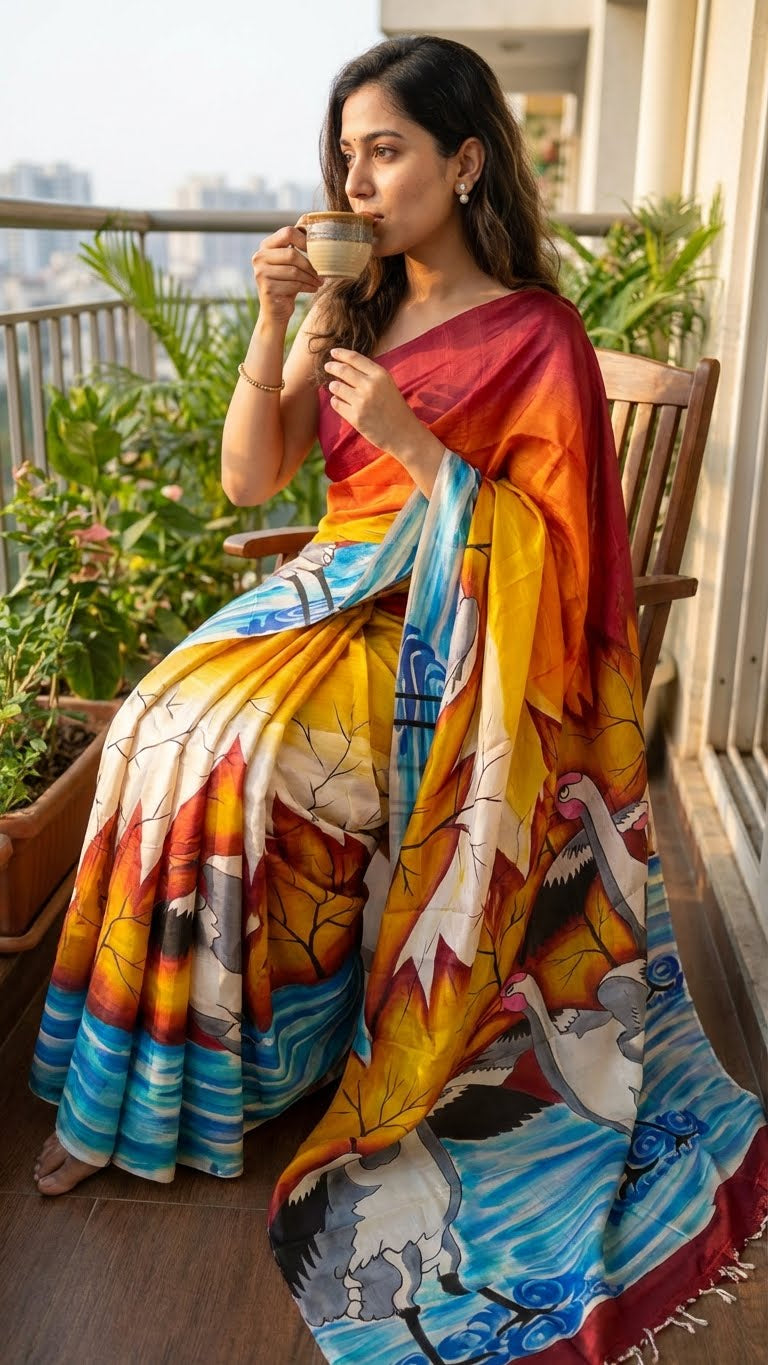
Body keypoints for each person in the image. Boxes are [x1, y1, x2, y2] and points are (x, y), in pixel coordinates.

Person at [31, 34, 766, 1365]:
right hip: (319, 591)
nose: (356, 182)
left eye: (386, 151)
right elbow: (256, 482)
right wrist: (271, 326)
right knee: (156, 725)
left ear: (463, 160)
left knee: (247, 755)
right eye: (345, 155)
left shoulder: (539, 334)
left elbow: (567, 559)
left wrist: (430, 458)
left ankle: (240, 1069)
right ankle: (138, 1092)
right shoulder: (347, 304)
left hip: (450, 636)